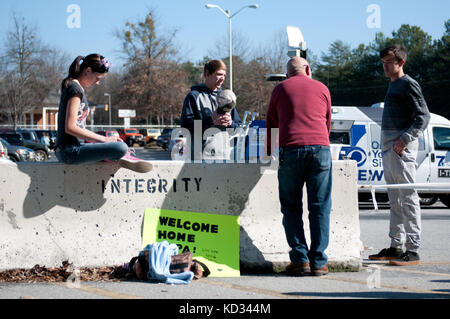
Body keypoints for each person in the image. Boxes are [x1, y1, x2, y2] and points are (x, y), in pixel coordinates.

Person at [266, 56, 332, 276]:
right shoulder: (323, 88)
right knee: (320, 205)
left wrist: (268, 153)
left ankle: (300, 259)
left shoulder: (280, 89)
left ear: (287, 74)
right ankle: (319, 262)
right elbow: (327, 121)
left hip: (291, 150)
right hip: (320, 150)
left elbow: (271, 123)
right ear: (308, 69)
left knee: (291, 206)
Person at [369, 45, 430, 266]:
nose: (385, 66)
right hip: (390, 148)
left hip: (400, 149)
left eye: (389, 62)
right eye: (383, 62)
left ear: (400, 63)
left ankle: (413, 249)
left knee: (407, 197)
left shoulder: (408, 83)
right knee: (395, 198)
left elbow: (423, 116)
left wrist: (404, 139)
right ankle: (396, 246)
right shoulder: (394, 83)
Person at [55, 54, 152, 173]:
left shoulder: (75, 87)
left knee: (117, 142)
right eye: (97, 78)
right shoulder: (75, 89)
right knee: (121, 147)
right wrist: (104, 139)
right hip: (69, 151)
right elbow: (70, 127)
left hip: (75, 147)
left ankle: (115, 156)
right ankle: (116, 156)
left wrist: (107, 141)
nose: (97, 83)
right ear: (88, 70)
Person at [180, 60, 241, 161]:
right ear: (207, 74)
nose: (222, 79)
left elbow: (237, 127)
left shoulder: (227, 97)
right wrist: (211, 121)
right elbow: (185, 128)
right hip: (200, 158)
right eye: (219, 74)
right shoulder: (193, 96)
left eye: (224, 75)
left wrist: (230, 123)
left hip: (223, 158)